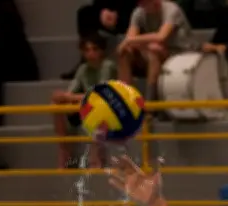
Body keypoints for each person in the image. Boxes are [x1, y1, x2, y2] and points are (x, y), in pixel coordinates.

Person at [51, 34, 116, 169]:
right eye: (87, 50)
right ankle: (64, 150)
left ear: (101, 51)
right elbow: (71, 91)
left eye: (94, 49)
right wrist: (62, 96)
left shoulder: (108, 66)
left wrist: (69, 98)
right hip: (85, 108)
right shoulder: (83, 69)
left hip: (110, 110)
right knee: (55, 105)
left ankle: (96, 161)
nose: (91, 53)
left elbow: (100, 95)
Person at [117, 0, 196, 103]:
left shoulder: (171, 9)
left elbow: (161, 36)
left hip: (180, 53)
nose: (142, 5)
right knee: (126, 52)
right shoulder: (139, 12)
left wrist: (130, 41)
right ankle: (126, 101)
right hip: (156, 49)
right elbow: (130, 38)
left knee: (154, 51)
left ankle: (150, 104)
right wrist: (130, 43)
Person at [62, 0, 136, 80]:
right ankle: (87, 57)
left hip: (130, 14)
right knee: (84, 13)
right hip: (106, 14)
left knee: (137, 15)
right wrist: (102, 12)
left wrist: (117, 14)